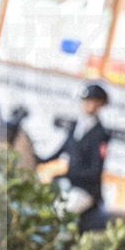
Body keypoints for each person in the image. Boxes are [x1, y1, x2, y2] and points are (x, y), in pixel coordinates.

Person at [38, 82, 111, 233]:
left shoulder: (101, 134)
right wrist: (39, 160)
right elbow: (61, 150)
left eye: (92, 102)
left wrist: (67, 173)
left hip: (85, 190)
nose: (87, 105)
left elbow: (95, 170)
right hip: (67, 186)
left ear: (100, 104)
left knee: (60, 215)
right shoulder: (76, 127)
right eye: (85, 101)